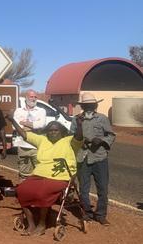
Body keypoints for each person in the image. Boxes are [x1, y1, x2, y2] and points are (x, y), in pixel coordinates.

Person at [6, 114, 84, 236]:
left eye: (56, 130)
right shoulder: (43, 140)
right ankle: (31, 224)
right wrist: (13, 120)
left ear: (62, 132)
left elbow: (79, 137)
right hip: (39, 175)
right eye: (50, 130)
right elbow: (24, 135)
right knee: (21, 190)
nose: (53, 132)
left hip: (60, 177)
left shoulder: (69, 141)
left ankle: (42, 224)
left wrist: (79, 125)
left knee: (42, 193)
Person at [71, 92, 116, 226]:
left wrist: (101, 140)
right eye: (86, 105)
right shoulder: (76, 119)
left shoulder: (102, 118)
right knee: (83, 188)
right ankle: (87, 213)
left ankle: (101, 215)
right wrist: (81, 139)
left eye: (91, 104)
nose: (89, 107)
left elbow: (111, 135)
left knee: (102, 188)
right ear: (83, 106)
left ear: (95, 105)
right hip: (82, 158)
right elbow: (72, 137)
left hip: (99, 157)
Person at [12, 90, 46, 180]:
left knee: (39, 173)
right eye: (31, 96)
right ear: (26, 97)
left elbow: (41, 125)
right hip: (23, 146)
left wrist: (24, 123)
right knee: (24, 173)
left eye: (35, 97)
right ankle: (24, 192)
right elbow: (14, 126)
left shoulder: (41, 111)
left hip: (37, 146)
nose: (33, 99)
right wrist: (34, 125)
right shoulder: (19, 111)